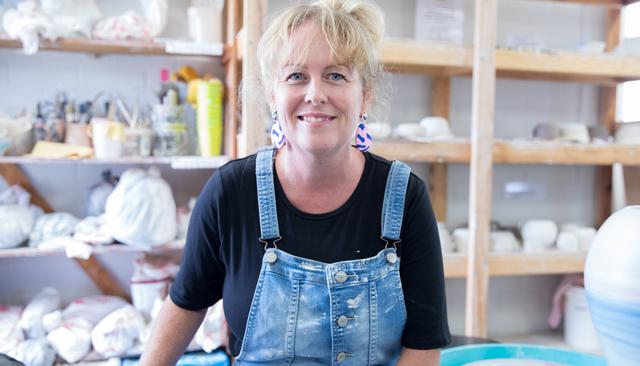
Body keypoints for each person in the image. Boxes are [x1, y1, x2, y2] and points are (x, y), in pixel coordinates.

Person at [140, 0, 450, 364]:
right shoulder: (231, 192)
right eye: (296, 76)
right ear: (273, 95)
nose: (315, 94)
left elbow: (424, 344)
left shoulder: (402, 197)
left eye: (336, 75)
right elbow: (185, 304)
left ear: (364, 94)